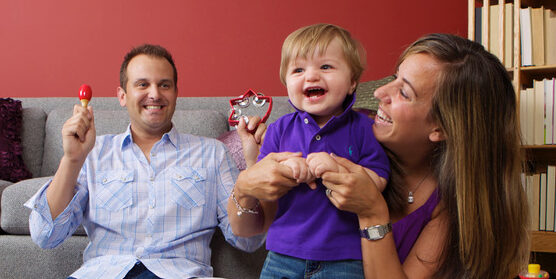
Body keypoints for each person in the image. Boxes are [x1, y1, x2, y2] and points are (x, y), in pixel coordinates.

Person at [232, 33, 531, 278]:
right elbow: (252, 228)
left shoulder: (449, 209)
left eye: (405, 92)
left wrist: (372, 211)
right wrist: (248, 178)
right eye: (394, 77)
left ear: (441, 127)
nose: (379, 93)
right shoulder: (348, 131)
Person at [24, 44, 265, 279]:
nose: (155, 94)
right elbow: (46, 235)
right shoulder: (93, 153)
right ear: (122, 95)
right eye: (142, 84)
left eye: (164, 85)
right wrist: (72, 159)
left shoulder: (213, 153)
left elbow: (247, 239)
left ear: (176, 93)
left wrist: (254, 164)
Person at [227, 23, 390, 278]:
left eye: (325, 66)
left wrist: (337, 169)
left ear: (352, 82)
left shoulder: (365, 128)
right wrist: (286, 169)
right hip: (283, 255)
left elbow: (379, 179)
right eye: (298, 70)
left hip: (346, 257)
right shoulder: (279, 129)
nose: (311, 76)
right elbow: (263, 181)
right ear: (287, 83)